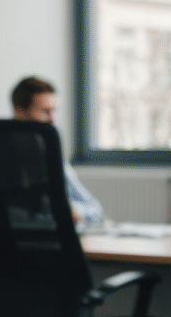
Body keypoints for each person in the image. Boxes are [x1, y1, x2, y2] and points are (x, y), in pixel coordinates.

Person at [11, 76, 105, 228]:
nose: (53, 120)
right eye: (46, 111)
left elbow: (95, 210)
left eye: (54, 111)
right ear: (20, 112)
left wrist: (75, 211)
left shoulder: (51, 157)